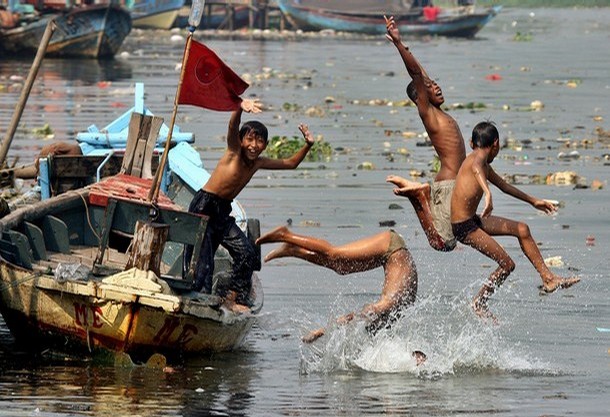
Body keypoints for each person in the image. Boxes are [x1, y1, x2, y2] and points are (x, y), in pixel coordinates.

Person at [183, 98, 316, 312]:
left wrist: (308, 144)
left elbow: (291, 163)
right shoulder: (234, 152)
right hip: (205, 206)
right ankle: (201, 304)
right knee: (204, 263)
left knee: (247, 253)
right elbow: (232, 127)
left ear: (265, 145)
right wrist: (239, 108)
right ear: (241, 140)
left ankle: (232, 298)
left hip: (223, 210)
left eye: (259, 141)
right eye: (250, 139)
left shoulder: (258, 163)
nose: (254, 146)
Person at [450, 121, 580, 320]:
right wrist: (487, 194)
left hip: (473, 220)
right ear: (496, 144)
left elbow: (504, 186)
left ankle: (548, 278)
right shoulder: (476, 160)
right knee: (507, 264)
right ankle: (479, 302)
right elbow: (476, 168)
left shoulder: (484, 163)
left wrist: (533, 201)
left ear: (471, 142)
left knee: (522, 229)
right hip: (463, 227)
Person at [384, 15, 467, 252]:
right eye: (430, 88)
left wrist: (404, 44)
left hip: (458, 183)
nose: (436, 87)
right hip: (448, 184)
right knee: (442, 243)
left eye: (436, 84)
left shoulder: (440, 112)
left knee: (459, 233)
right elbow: (417, 76)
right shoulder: (428, 113)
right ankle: (420, 195)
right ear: (421, 97)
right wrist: (400, 46)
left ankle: (422, 193)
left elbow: (422, 74)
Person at [256, 226, 418, 343]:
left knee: (340, 267)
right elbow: (356, 316)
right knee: (335, 254)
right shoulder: (387, 305)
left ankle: (293, 250)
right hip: (391, 246)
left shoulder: (393, 314)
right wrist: (321, 331)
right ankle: (285, 235)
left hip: (390, 254)